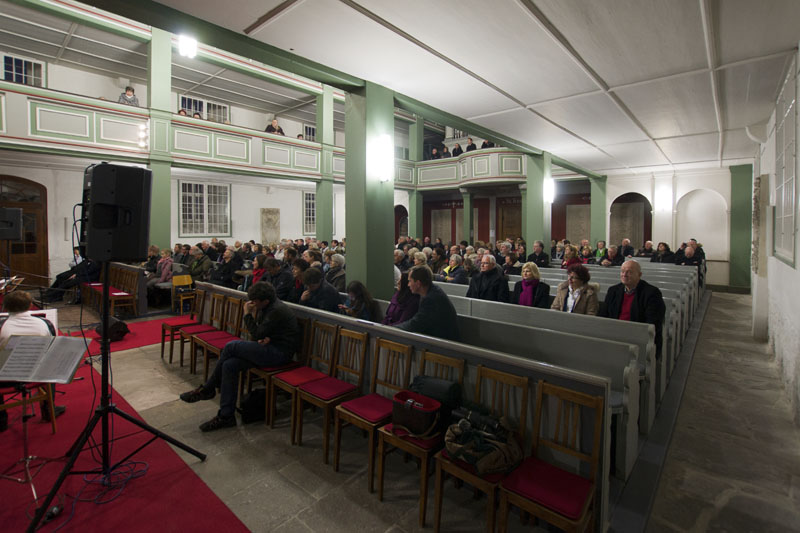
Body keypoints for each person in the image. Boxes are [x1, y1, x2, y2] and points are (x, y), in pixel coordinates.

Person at [179, 282, 301, 431]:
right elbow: (263, 333)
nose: (252, 304)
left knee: (231, 346)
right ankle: (226, 416)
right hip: (269, 347)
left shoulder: (277, 310)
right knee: (229, 365)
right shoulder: (268, 307)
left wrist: (247, 314)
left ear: (265, 301)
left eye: (255, 301)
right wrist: (266, 338)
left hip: (279, 355)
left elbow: (256, 333)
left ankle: (208, 388)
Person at [0, 291, 64, 430]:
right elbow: (51, 348)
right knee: (48, 365)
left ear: (5, 307)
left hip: (6, 378)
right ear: (30, 305)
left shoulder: (2, 326)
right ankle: (48, 409)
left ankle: (1, 419)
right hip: (38, 374)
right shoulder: (44, 323)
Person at [600, 260, 666, 360]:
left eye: (629, 272)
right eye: (622, 271)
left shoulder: (652, 293)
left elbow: (652, 323)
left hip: (638, 339)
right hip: (614, 335)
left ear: (639, 275)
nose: (624, 274)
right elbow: (603, 316)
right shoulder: (613, 290)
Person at [395, 265, 460, 341]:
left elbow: (416, 324)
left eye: (410, 281)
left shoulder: (431, 299)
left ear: (418, 283)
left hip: (444, 344)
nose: (408, 284)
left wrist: (392, 329)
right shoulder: (431, 291)